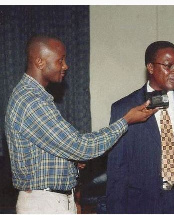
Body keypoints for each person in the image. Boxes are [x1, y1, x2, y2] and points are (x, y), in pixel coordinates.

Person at [5, 35, 157, 214]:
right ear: (39, 62)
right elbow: (80, 146)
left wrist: (70, 162)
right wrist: (125, 121)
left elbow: (51, 150)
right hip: (45, 204)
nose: (65, 66)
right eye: (60, 60)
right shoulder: (32, 101)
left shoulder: (33, 97)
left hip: (49, 200)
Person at [106, 41, 174, 213]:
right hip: (146, 203)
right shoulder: (124, 108)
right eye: (168, 66)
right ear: (150, 67)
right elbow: (118, 170)